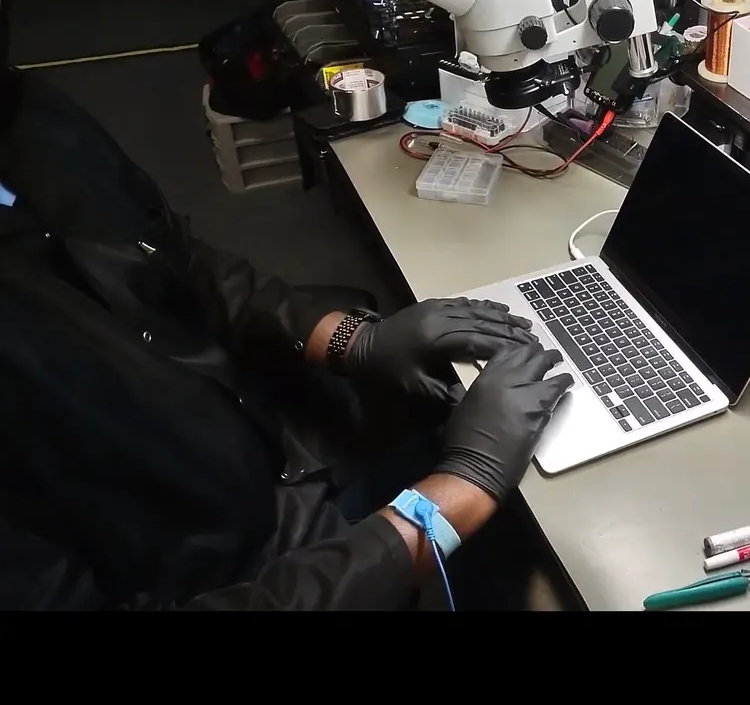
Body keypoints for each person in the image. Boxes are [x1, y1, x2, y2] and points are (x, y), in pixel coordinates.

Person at [0, 65, 574, 610]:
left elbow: (180, 263)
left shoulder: (28, 117)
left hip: (276, 440)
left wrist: (352, 339)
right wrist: (451, 500)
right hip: (239, 570)